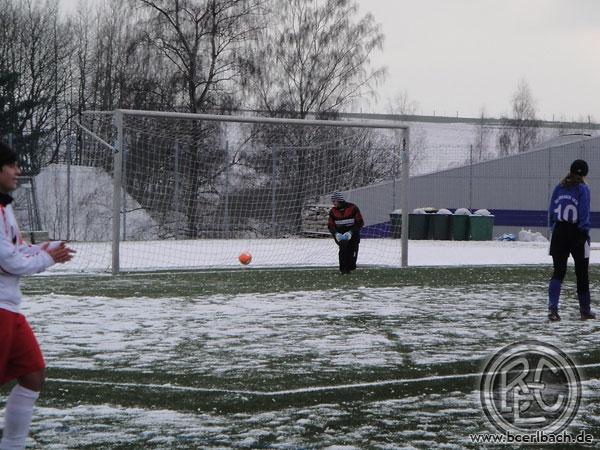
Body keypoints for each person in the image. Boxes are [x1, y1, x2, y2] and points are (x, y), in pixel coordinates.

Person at [0, 142, 75, 449]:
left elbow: (14, 251)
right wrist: (48, 259)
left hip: (9, 307)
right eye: (12, 165)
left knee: (33, 375)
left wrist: (42, 250)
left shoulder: (4, 207)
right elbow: (10, 262)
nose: (18, 171)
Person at [547, 159, 594, 322]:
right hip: (577, 232)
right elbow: (583, 212)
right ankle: (585, 311)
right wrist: (584, 232)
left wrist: (554, 229)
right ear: (585, 174)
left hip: (559, 231)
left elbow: (552, 211)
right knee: (582, 273)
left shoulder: (559, 187)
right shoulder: (583, 189)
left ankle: (553, 310)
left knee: (558, 271)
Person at [328, 192, 364, 274]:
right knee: (343, 248)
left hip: (353, 233)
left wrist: (350, 232)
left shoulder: (353, 207)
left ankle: (350, 266)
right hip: (340, 235)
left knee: (352, 259)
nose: (333, 203)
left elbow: (360, 222)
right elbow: (330, 225)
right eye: (332, 201)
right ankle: (343, 270)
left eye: (334, 201)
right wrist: (336, 233)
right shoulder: (332, 211)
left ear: (339, 200)